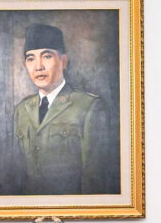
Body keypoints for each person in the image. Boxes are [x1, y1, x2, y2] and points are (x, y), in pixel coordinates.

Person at [11, 22, 118, 195]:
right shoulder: (22, 110)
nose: (38, 66)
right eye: (31, 58)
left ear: (63, 61)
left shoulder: (89, 107)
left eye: (46, 56)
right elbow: (15, 174)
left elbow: (95, 179)